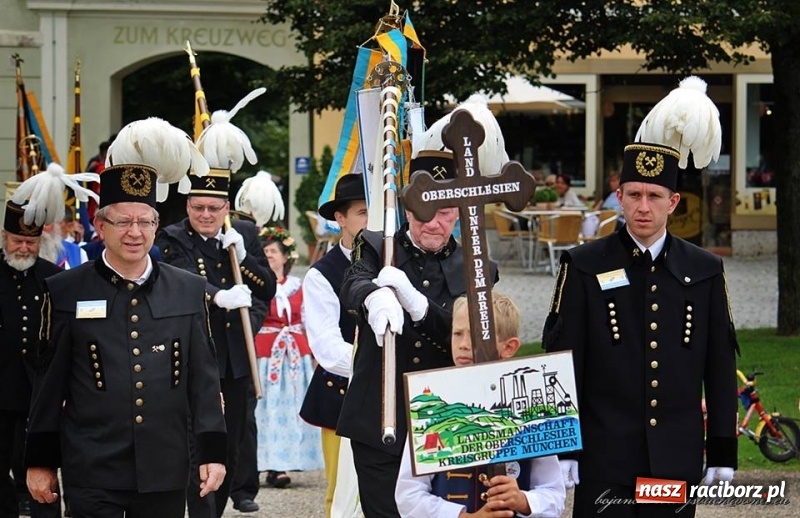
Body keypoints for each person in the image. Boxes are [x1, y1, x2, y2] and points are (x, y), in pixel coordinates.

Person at [542, 142, 738, 517]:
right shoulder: (584, 265)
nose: (643, 207)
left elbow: (720, 366)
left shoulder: (704, 269)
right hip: (604, 459)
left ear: (673, 202)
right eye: (634, 195)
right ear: (619, 197)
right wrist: (564, 447)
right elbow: (562, 364)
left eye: (654, 196)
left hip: (673, 458)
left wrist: (722, 450)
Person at [25, 156, 228, 517]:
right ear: (100, 226)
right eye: (123, 222)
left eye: (144, 221)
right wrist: (40, 461)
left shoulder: (188, 290)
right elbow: (49, 385)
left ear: (156, 226)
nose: (135, 232)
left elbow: (204, 381)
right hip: (92, 464)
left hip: (164, 464)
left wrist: (212, 452)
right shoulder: (66, 291)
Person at [156, 169, 275, 518]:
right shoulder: (173, 238)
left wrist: (244, 257)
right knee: (198, 445)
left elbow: (267, 287)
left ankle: (216, 511)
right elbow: (179, 280)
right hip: (196, 357)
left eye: (213, 208)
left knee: (231, 445)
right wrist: (217, 296)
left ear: (226, 208)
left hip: (236, 358)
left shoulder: (244, 233)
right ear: (187, 206)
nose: (205, 215)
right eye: (198, 207)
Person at [396, 292, 566, 518]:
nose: (464, 345)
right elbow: (408, 495)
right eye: (457, 334)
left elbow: (554, 493)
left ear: (509, 347)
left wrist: (523, 500)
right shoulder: (432, 405)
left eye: (477, 335)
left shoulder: (532, 408)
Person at [299, 173, 368, 517]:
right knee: (341, 493)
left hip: (399, 392)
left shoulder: (399, 261)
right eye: (363, 212)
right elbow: (326, 347)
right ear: (340, 218)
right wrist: (374, 363)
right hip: (344, 393)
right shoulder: (321, 274)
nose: (371, 220)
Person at [0, 199, 63, 518]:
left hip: (38, 388)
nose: (24, 248)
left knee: (40, 462)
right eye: (17, 241)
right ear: (4, 237)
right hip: (1, 385)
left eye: (31, 242)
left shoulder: (52, 277)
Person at [254, 226, 323, 490]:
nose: (269, 255)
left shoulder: (298, 287)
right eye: (265, 251)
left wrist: (316, 354)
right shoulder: (256, 287)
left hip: (295, 358)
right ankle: (269, 464)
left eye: (273, 251)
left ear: (285, 257)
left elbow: (309, 321)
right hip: (267, 356)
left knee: (294, 409)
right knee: (268, 410)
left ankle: (288, 461)